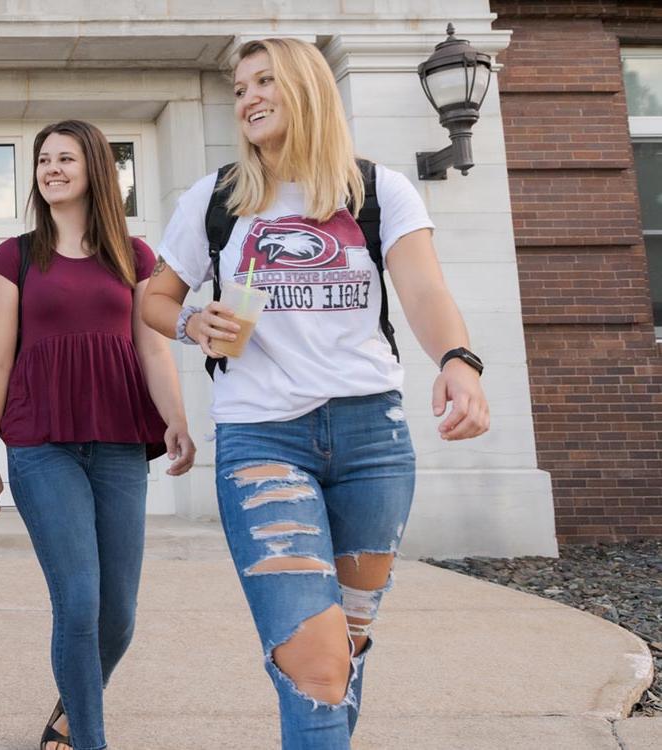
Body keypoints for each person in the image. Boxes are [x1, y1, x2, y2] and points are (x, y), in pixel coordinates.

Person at [143, 38, 491, 749]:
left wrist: (458, 360)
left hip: (373, 442)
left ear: (308, 89)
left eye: (265, 81)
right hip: (262, 437)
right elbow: (152, 298)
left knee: (345, 650)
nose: (248, 98)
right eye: (240, 88)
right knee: (316, 659)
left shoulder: (376, 189)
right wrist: (189, 320)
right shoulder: (214, 199)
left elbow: (424, 290)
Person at [0, 119, 196, 750]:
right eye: (44, 159)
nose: (53, 169)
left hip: (120, 441)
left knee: (117, 615)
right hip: (42, 444)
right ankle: (89, 741)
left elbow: (152, 349)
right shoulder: (13, 256)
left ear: (97, 168)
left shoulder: (135, 255)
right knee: (78, 600)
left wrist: (175, 419)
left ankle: (66, 721)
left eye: (66, 158)